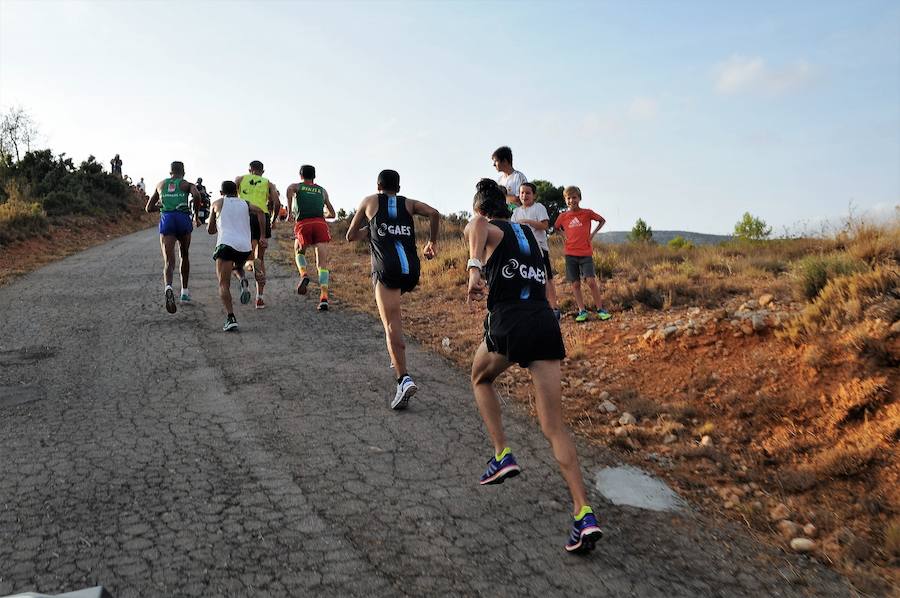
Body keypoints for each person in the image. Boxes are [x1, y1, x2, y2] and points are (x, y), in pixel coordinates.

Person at [463, 179, 602, 554]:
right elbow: (548, 287)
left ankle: (502, 453)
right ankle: (583, 513)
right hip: (545, 323)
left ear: (481, 208)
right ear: (507, 207)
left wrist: (475, 269)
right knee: (554, 426)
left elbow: (475, 227)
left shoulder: (484, 225)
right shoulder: (527, 236)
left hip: (510, 322)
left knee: (479, 377)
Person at [345, 169, 440, 410]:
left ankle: (403, 379)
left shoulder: (369, 201)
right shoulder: (408, 203)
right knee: (394, 317)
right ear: (398, 187)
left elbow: (350, 235)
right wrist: (432, 242)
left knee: (391, 325)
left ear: (378, 185)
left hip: (386, 270)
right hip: (411, 270)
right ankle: (395, 356)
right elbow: (434, 213)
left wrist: (372, 232)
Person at [145, 161, 201, 313]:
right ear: (183, 171)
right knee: (184, 255)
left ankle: (168, 287)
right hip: (183, 219)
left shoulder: (161, 184)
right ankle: (184, 292)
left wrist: (161, 206)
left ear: (170, 172)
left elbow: (148, 208)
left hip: (167, 219)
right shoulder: (186, 184)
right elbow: (196, 194)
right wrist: (196, 215)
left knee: (169, 261)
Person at [207, 181, 263, 331]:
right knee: (237, 267)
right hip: (245, 247)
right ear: (237, 191)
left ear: (221, 192)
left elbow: (210, 230)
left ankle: (230, 318)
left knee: (223, 284)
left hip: (226, 245)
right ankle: (243, 279)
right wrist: (262, 235)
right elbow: (260, 211)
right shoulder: (245, 203)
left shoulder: (217, 203)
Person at [554, 186, 611, 322]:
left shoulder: (587, 213)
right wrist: (564, 235)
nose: (571, 200)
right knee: (575, 284)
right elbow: (556, 227)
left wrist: (593, 234)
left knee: (591, 281)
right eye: (568, 198)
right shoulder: (563, 216)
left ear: (579, 198)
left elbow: (602, 220)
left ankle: (600, 309)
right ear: (565, 200)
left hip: (585, 252)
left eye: (574, 197)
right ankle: (582, 310)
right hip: (570, 254)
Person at [286, 165, 336, 311]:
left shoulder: (298, 187)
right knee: (322, 265)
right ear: (315, 176)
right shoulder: (322, 190)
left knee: (299, 251)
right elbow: (332, 214)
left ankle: (304, 274)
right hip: (320, 224)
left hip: (303, 224)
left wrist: (289, 212)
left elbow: (289, 189)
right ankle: (324, 297)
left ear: (301, 175)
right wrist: (323, 215)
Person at [236, 161, 281, 309]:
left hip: (245, 215)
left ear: (249, 170)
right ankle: (259, 297)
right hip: (262, 218)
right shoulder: (268, 183)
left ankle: (248, 265)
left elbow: (231, 195)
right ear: (263, 171)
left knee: (246, 251)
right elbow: (277, 202)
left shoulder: (240, 179)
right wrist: (274, 220)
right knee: (260, 258)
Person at [511, 182, 560, 319]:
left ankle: (553, 306)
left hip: (540, 247)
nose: (524, 195)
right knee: (526, 276)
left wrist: (528, 222)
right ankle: (533, 305)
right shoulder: (516, 212)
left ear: (534, 195)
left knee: (546, 276)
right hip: (523, 248)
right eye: (522, 193)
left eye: (528, 193)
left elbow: (545, 225)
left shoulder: (539, 207)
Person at [491, 145, 527, 212]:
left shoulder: (518, 176)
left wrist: (501, 196)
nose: (494, 164)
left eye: (496, 161)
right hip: (502, 217)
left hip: (517, 216)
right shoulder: (499, 180)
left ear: (505, 161)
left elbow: (519, 200)